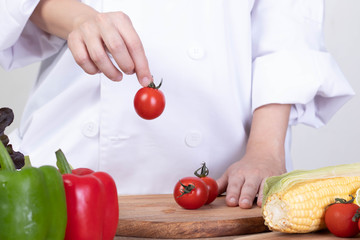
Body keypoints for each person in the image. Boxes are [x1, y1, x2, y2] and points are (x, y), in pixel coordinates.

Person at [0, 0, 354, 209]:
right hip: (71, 161)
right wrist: (78, 18)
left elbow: (288, 34)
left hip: (220, 180)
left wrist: (264, 150)